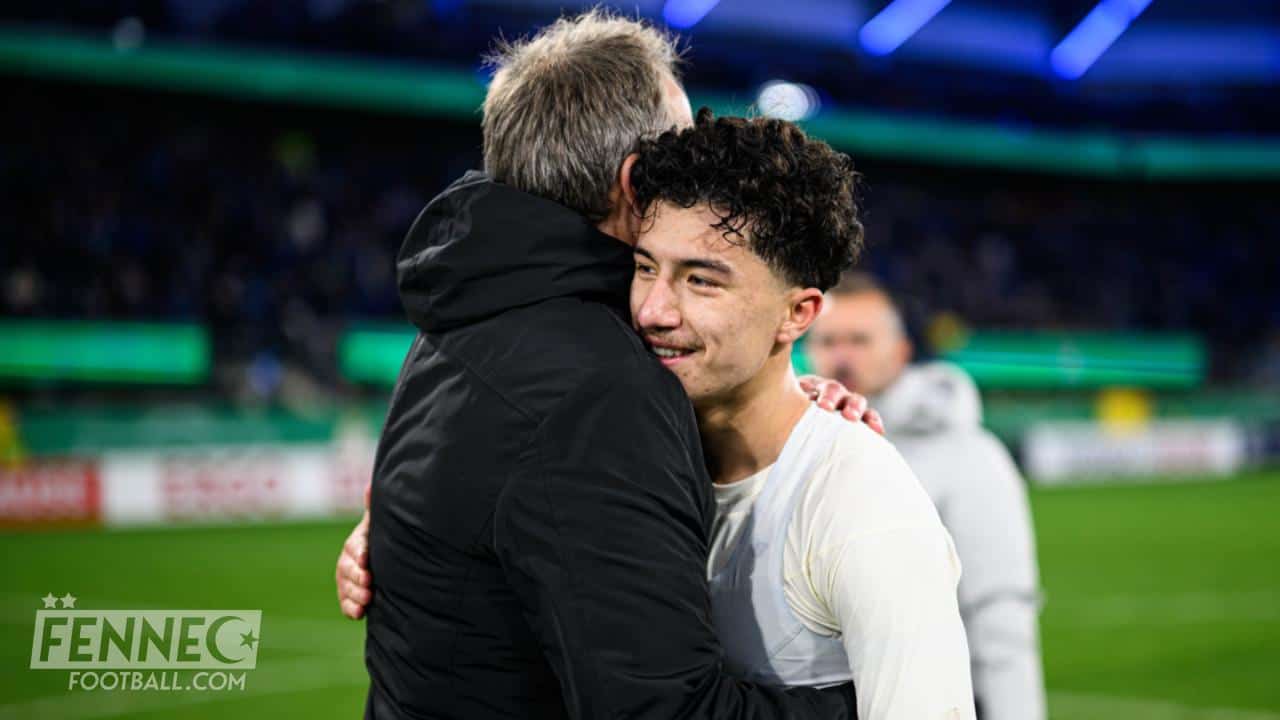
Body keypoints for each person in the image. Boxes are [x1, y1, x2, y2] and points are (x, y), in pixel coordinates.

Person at [345, 106, 977, 718]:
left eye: (702, 281)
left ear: (798, 313)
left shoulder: (863, 507)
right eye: (645, 267)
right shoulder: (623, 460)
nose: (653, 310)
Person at [804, 273, 1046, 720]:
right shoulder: (795, 448)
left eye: (859, 340)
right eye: (828, 341)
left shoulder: (970, 455)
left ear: (901, 351)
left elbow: (1000, 616)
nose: (842, 356)